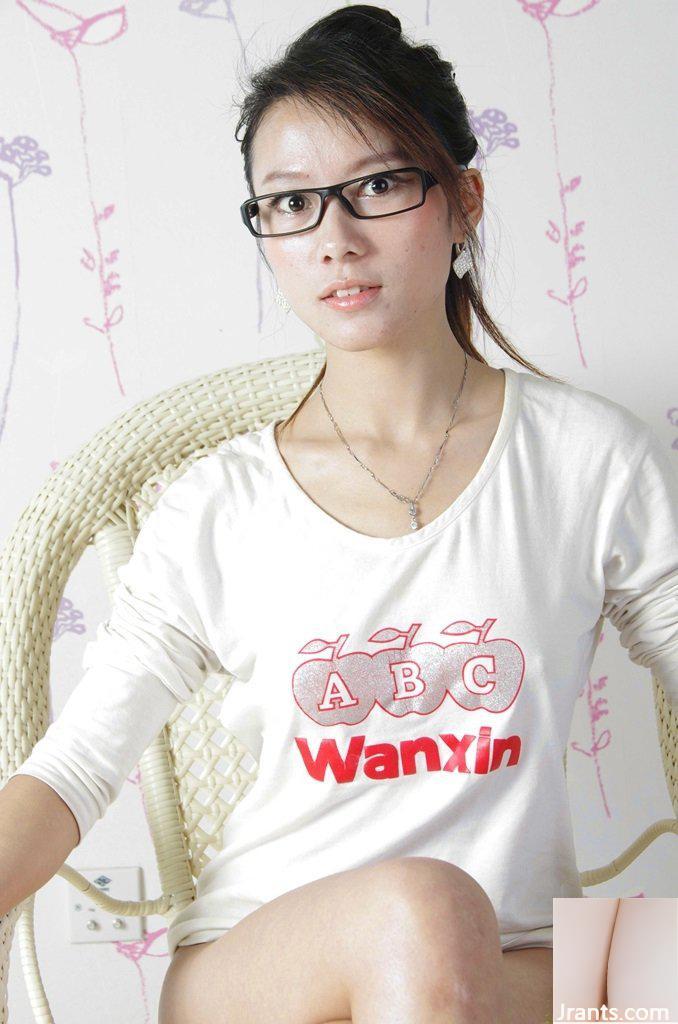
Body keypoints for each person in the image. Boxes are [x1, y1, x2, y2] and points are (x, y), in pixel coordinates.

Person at [1, 6, 676, 1023]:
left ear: (464, 202)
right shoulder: (218, 507)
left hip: (519, 958)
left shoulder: (590, 460)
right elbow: (75, 769)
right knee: (424, 910)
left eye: (379, 185)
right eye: (291, 203)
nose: (335, 239)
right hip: (259, 968)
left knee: (638, 959)